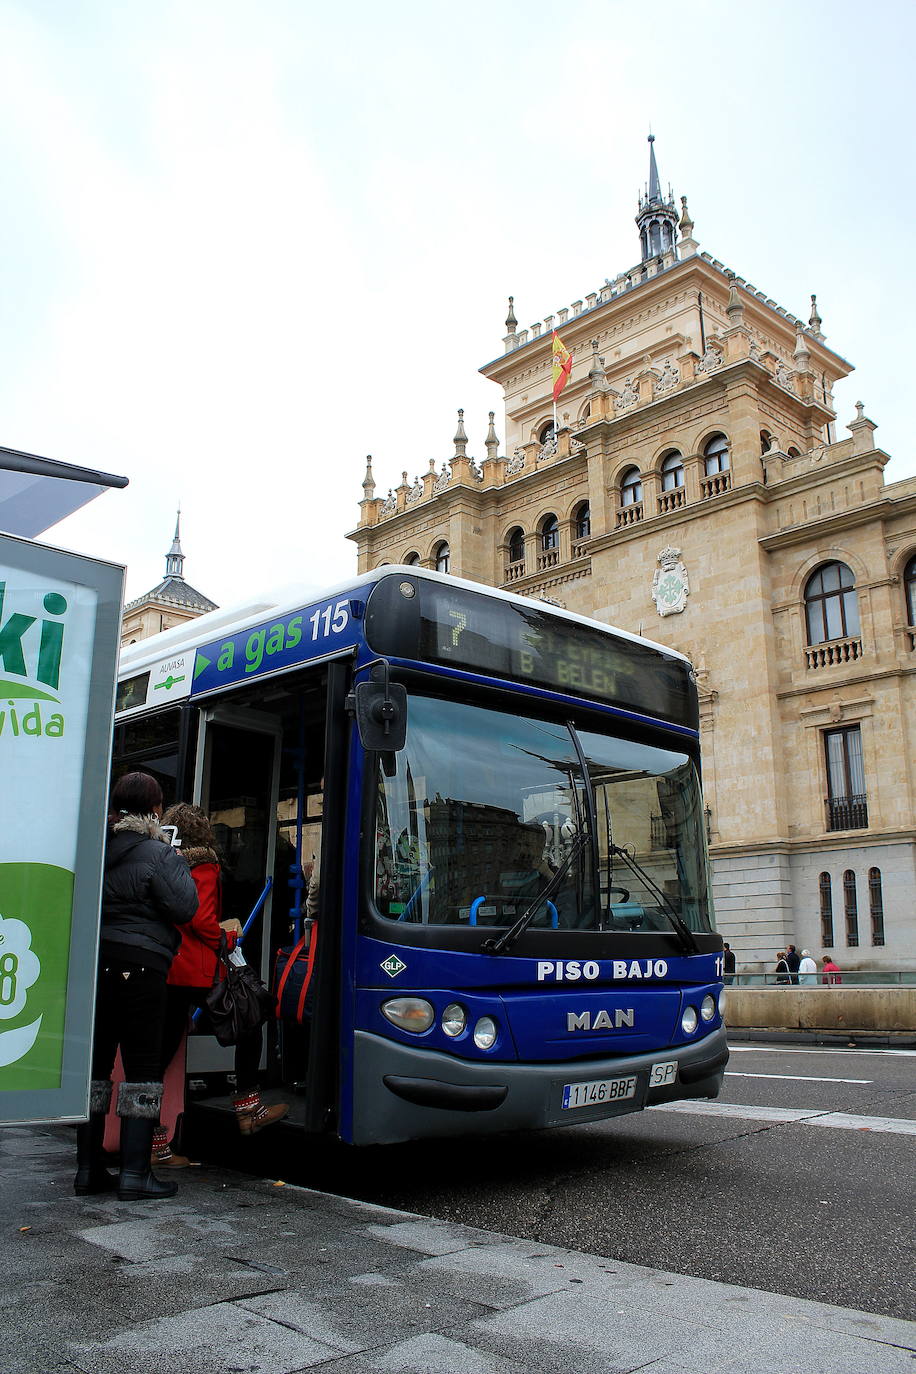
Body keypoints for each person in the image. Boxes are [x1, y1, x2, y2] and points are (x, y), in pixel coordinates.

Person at [76, 771, 198, 1202]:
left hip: (95, 964)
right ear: (154, 809)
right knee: (142, 1069)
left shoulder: (92, 846)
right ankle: (134, 1174)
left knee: (96, 1068)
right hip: (142, 967)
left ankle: (88, 1170)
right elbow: (185, 907)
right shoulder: (157, 853)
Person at [156, 803, 288, 1155]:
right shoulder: (204, 865)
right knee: (250, 1021)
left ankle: (153, 1140)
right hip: (197, 968)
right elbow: (200, 920)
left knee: (161, 1053)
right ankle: (249, 1108)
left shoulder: (161, 861)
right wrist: (227, 938)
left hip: (165, 965)